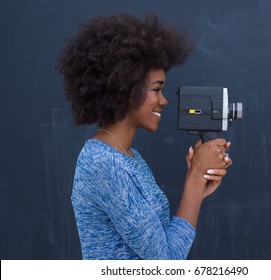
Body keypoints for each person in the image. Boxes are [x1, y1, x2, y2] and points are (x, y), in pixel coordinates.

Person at [56, 12, 232, 260]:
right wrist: (193, 181)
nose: (164, 100)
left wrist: (199, 187)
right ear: (126, 89)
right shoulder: (104, 164)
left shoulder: (130, 158)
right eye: (157, 89)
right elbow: (164, 265)